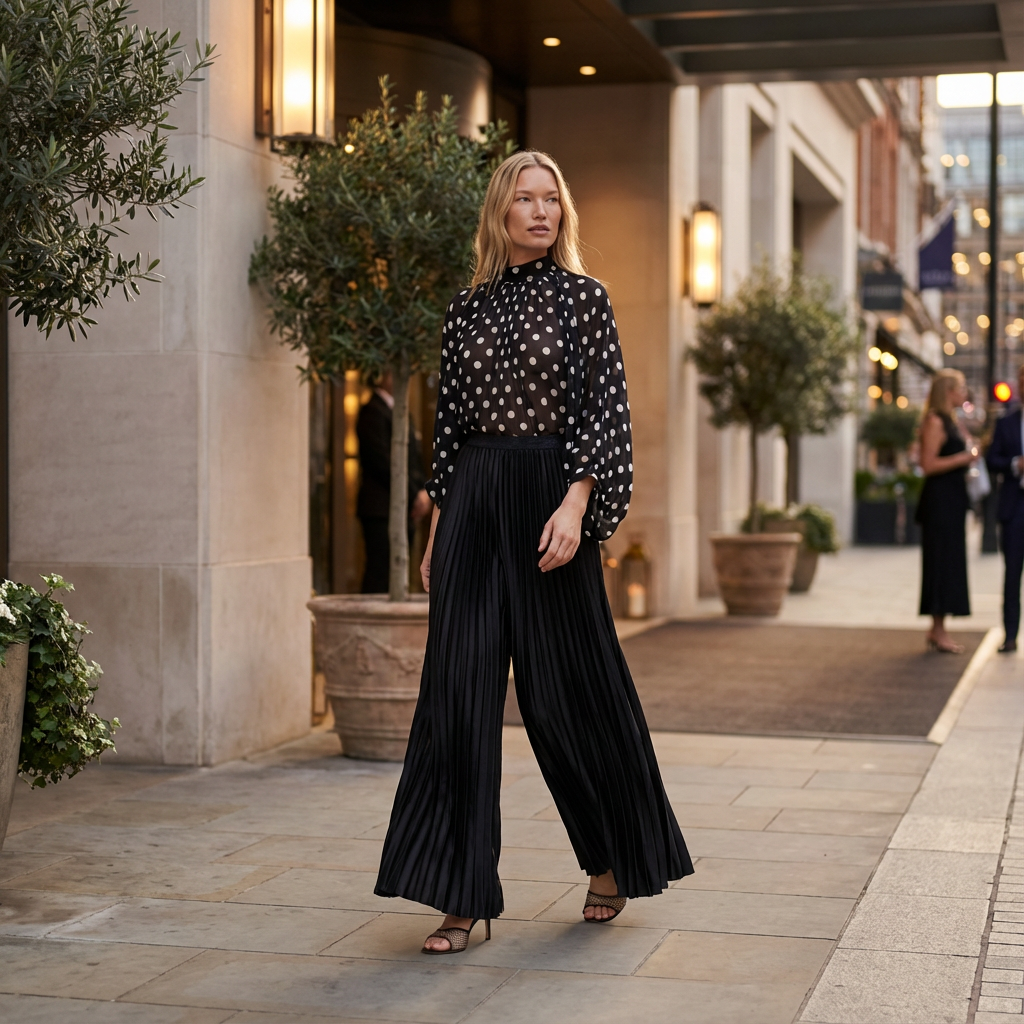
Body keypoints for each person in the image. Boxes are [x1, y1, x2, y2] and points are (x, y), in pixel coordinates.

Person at [373, 151, 693, 954]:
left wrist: (578, 504)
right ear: (501, 212)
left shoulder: (586, 299)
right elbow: (449, 429)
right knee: (458, 697)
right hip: (475, 504)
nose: (543, 211)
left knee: (563, 696)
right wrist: (439, 530)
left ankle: (610, 862)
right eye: (527, 198)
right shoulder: (465, 309)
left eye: (553, 198)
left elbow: (605, 412)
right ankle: (459, 895)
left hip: (553, 498)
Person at [916, 369, 978, 653]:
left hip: (952, 501)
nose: (964, 393)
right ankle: (938, 628)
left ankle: (938, 627)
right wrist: (963, 458)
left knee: (950, 562)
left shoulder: (952, 420)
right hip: (939, 503)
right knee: (940, 563)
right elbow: (928, 464)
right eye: (961, 388)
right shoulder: (935, 421)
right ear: (948, 391)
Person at [356, 374, 432, 593]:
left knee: (399, 575)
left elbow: (414, 459)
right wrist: (414, 494)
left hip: (406, 508)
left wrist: (424, 491)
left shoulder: (402, 412)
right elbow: (383, 463)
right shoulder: (372, 412)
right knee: (380, 574)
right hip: (381, 509)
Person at [986, 362, 1024, 654]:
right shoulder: (1006, 422)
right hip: (1015, 508)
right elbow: (992, 459)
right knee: (1012, 575)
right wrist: (1015, 464)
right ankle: (1010, 635)